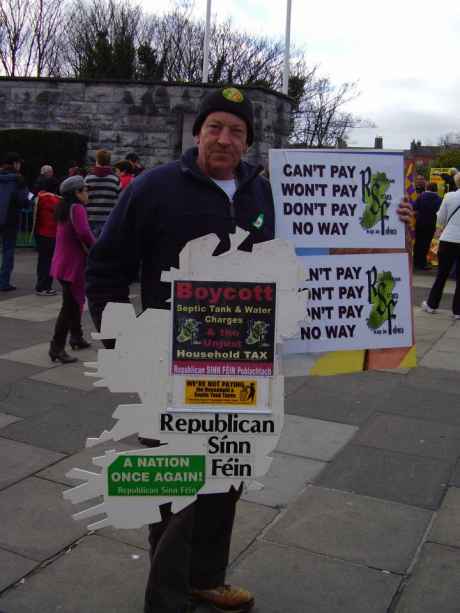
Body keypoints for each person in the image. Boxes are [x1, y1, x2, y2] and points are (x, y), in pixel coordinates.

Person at [86, 87, 414, 613]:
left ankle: (205, 578)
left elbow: (323, 244)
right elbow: (105, 270)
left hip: (247, 364)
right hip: (171, 366)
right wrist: (120, 341)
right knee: (175, 482)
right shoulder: (153, 188)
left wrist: (386, 222)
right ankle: (167, 599)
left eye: (236, 131)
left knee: (228, 475)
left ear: (248, 142)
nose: (224, 138)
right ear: (197, 133)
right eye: (215, 126)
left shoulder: (267, 194)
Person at [49, 176, 95, 364]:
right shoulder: (77, 208)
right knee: (69, 307)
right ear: (77, 192)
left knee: (74, 302)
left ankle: (76, 337)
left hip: (63, 263)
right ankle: (56, 348)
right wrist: (97, 249)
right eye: (85, 189)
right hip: (73, 265)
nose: (88, 193)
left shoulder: (65, 208)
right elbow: (84, 233)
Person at [422, 172, 460, 319]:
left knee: (442, 274)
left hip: (448, 239)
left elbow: (441, 217)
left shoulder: (449, 196)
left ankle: (432, 305)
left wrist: (438, 232)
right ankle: (458, 311)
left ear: (456, 182)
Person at [0, 152, 28, 292]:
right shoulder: (18, 179)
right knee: (7, 250)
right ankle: (4, 282)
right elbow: (23, 200)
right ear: (15, 164)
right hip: (10, 218)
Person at [33, 176, 60, 295]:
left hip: (39, 232)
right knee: (50, 261)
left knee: (42, 260)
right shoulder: (57, 200)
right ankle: (46, 287)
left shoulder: (39, 197)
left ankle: (40, 285)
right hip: (52, 234)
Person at [84, 149, 120, 238]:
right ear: (109, 161)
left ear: (97, 160)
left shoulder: (88, 178)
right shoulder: (115, 179)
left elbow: (83, 198)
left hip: (90, 218)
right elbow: (119, 200)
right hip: (108, 219)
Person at [413, 182, 442, 270]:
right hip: (430, 224)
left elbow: (414, 207)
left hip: (419, 223)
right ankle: (422, 263)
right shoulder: (438, 199)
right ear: (436, 189)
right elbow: (440, 211)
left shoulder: (421, 196)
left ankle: (415, 262)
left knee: (418, 242)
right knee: (426, 244)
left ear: (427, 188)